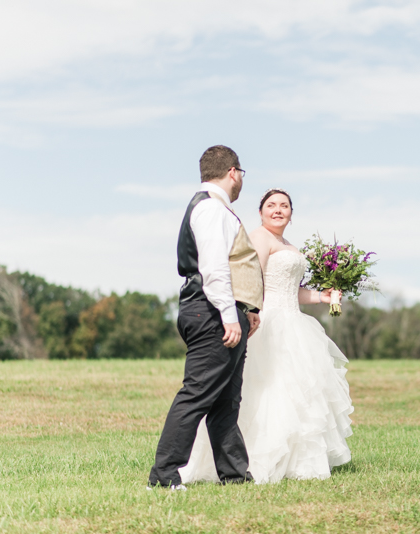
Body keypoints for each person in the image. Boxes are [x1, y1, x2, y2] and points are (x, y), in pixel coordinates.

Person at [180, 188, 353, 484]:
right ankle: (253, 459)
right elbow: (253, 278)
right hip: (267, 320)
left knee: (298, 393)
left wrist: (322, 297)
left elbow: (290, 290)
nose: (278, 210)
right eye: (271, 205)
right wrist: (250, 312)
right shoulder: (260, 237)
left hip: (294, 322)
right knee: (264, 390)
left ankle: (297, 462)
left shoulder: (289, 244)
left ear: (291, 213)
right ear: (260, 212)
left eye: (284, 205)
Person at [148, 145, 263, 490]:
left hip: (217, 310)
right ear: (232, 172)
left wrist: (246, 310)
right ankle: (164, 474)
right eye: (241, 173)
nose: (242, 179)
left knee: (226, 399)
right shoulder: (212, 210)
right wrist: (229, 315)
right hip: (211, 311)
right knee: (197, 392)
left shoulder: (211, 207)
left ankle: (234, 475)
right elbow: (214, 269)